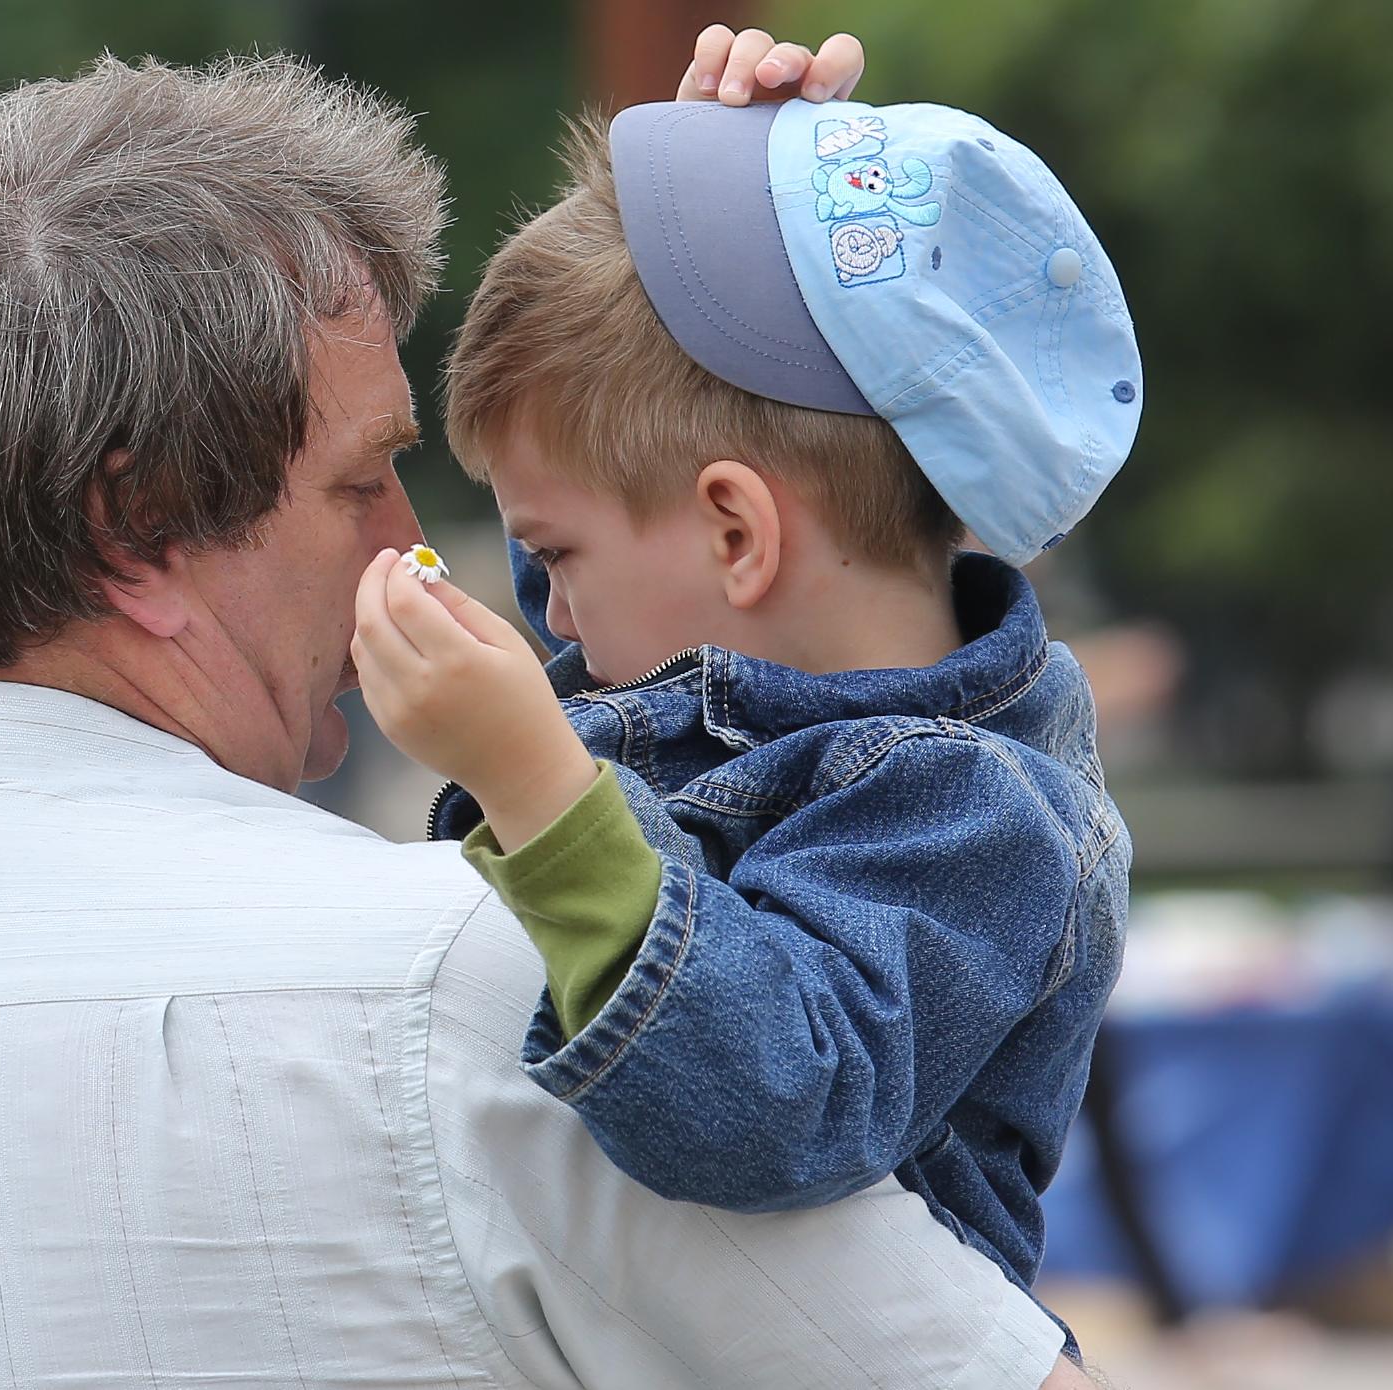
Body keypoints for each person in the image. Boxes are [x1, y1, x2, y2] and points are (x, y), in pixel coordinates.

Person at [0, 40, 1088, 1390]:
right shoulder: (502, 992)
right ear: (141, 524)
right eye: (363, 480)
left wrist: (722, 306)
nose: (408, 549)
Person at [348, 93, 1140, 1290]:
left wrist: (536, 786)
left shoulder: (971, 810)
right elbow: (631, 484)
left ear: (735, 531)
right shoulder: (724, 670)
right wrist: (717, 213)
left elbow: (772, 1107)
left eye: (554, 557)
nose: (547, 614)